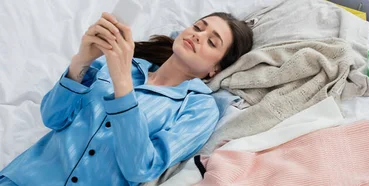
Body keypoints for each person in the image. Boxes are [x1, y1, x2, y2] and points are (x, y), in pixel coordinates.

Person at [0, 12, 253, 185]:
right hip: (24, 177)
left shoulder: (200, 108)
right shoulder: (121, 63)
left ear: (215, 69)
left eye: (211, 42)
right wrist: (82, 60)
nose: (198, 35)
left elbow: (140, 168)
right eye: (198, 27)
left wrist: (122, 83)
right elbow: (53, 117)